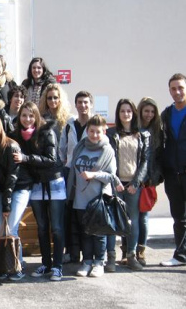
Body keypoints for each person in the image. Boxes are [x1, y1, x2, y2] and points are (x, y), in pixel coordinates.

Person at [11, 101, 66, 281]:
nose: (27, 119)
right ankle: (46, 263)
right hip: (36, 184)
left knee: (56, 227)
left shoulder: (47, 131)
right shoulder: (17, 136)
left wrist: (26, 158)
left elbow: (51, 159)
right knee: (42, 227)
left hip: (53, 181)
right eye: (24, 115)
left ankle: (57, 266)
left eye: (31, 115)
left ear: (36, 116)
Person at [67, 115, 124, 278]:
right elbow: (73, 169)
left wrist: (94, 175)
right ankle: (87, 262)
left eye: (98, 132)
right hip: (80, 198)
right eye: (91, 131)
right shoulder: (80, 147)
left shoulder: (107, 150)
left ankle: (99, 262)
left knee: (98, 233)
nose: (94, 135)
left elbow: (112, 176)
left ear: (104, 131)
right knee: (85, 232)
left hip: (99, 199)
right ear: (87, 131)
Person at [0, 116, 32, 280]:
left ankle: (17, 267)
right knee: (0, 230)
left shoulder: (11, 145)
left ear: (1, 128)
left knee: (11, 228)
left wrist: (6, 205)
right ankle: (5, 264)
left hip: (18, 189)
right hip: (3, 191)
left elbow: (13, 177)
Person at [106, 99, 150, 271]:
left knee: (133, 221)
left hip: (133, 185)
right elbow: (108, 159)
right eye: (123, 111)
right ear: (118, 114)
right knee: (113, 222)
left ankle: (131, 255)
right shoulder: (111, 133)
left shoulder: (143, 134)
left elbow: (146, 161)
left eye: (129, 111)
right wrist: (115, 181)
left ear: (133, 113)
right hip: (116, 184)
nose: (126, 114)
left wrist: (136, 182)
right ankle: (111, 257)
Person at [59, 90, 94, 264]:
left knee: (86, 214)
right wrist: (65, 164)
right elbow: (62, 149)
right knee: (70, 214)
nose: (83, 105)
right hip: (70, 173)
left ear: (91, 104)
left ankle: (89, 254)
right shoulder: (69, 124)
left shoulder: (96, 124)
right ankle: (72, 252)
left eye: (86, 102)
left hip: (88, 175)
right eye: (79, 102)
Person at [160, 73, 186, 267]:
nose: (177, 92)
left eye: (180, 88)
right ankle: (180, 256)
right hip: (173, 173)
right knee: (179, 217)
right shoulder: (167, 114)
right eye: (173, 89)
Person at [135, 97, 164, 265]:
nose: (149, 115)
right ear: (140, 111)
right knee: (129, 216)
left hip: (148, 180)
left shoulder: (157, 131)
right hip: (132, 178)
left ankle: (141, 251)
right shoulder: (134, 128)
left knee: (143, 217)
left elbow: (159, 157)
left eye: (152, 112)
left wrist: (155, 177)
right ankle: (127, 251)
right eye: (146, 111)